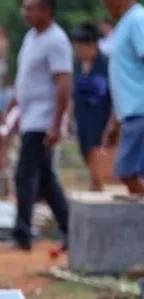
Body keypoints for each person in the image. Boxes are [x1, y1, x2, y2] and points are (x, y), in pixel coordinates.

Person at [1, 0, 72, 252]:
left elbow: (63, 83)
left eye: (31, 8)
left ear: (47, 10)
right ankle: (71, 229)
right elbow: (25, 78)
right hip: (29, 116)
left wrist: (55, 124)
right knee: (44, 179)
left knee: (25, 175)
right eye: (24, 8)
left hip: (43, 120)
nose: (25, 13)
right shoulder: (31, 37)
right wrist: (12, 106)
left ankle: (22, 235)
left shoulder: (56, 41)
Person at [101, 0, 144, 197]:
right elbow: (124, 79)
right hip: (131, 114)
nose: (103, 4)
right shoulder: (125, 24)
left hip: (140, 111)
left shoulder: (137, 19)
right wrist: (115, 121)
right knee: (130, 171)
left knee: (127, 170)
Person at [71, 23, 112, 191]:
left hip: (102, 115)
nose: (77, 51)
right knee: (85, 150)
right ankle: (95, 183)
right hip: (83, 116)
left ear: (92, 45)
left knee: (98, 152)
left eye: (80, 47)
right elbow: (73, 92)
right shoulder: (77, 66)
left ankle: (96, 185)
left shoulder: (106, 65)